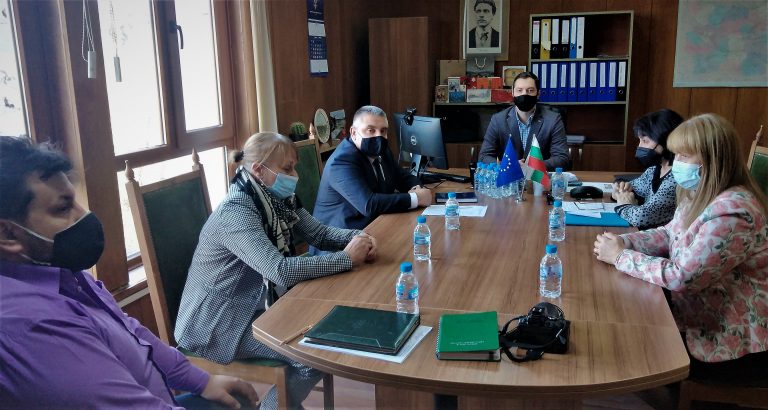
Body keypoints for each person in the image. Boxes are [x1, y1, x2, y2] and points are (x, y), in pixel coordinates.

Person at [0, 136, 259, 409]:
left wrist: (201, 381)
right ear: (7, 234)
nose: (83, 214)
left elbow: (129, 331)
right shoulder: (27, 324)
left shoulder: (63, 274)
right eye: (63, 208)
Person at [175, 132, 377, 410]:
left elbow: (318, 234)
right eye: (287, 169)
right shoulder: (236, 213)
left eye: (294, 167)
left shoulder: (276, 199)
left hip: (254, 307)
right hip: (216, 325)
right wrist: (346, 258)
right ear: (259, 170)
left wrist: (359, 237)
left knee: (324, 330)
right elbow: (278, 270)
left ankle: (281, 405)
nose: (295, 176)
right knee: (312, 357)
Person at [593, 114, 768, 381]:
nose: (676, 163)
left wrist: (621, 257)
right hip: (694, 311)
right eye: (676, 155)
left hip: (728, 337)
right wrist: (626, 241)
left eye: (684, 156)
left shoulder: (733, 212)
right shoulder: (700, 193)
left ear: (712, 160)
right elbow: (668, 233)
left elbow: (683, 277)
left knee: (621, 342)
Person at [312, 105, 432, 233]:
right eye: (371, 130)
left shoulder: (382, 151)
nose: (378, 136)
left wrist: (416, 188)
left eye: (383, 131)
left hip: (374, 225)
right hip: (340, 237)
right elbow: (368, 205)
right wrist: (416, 198)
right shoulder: (341, 162)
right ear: (353, 133)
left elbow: (401, 176)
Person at [479, 71, 569, 171]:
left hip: (539, 178)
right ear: (512, 93)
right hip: (508, 178)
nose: (524, 94)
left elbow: (562, 158)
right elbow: (484, 156)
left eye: (530, 90)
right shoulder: (498, 120)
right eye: (519, 90)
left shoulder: (553, 120)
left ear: (538, 93)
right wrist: (508, 165)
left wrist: (532, 166)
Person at [613, 109, 684, 229]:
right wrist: (619, 189)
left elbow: (640, 218)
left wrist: (624, 204)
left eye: (645, 141)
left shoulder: (676, 178)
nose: (639, 146)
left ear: (666, 141)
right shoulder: (655, 169)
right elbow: (631, 188)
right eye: (640, 141)